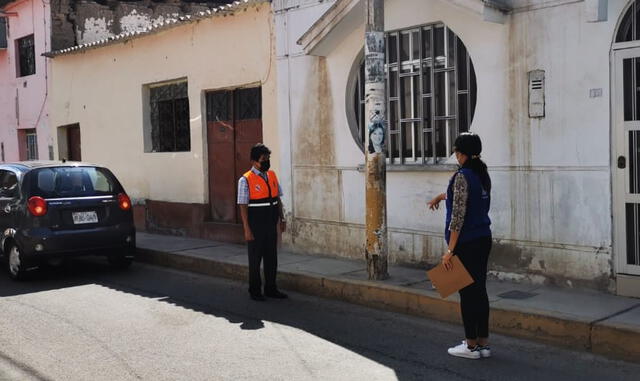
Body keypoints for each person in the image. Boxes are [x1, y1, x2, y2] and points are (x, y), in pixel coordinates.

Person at [427, 133, 492, 360]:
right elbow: (465, 198)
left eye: (456, 152)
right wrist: (441, 196)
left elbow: (458, 216)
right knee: (480, 291)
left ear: (461, 153)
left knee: (467, 294)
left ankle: (470, 346)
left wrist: (450, 251)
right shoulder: (482, 174)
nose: (456, 155)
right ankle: (483, 344)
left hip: (467, 242)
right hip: (484, 238)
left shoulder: (462, 175)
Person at [237, 143, 288, 301]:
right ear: (253, 161)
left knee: (271, 258)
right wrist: (246, 228)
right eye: (263, 159)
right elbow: (243, 206)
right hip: (255, 226)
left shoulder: (271, 175)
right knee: (255, 259)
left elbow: (277, 199)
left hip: (271, 225)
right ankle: (255, 290)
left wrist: (282, 218)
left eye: (268, 158)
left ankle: (271, 288)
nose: (266, 162)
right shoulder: (245, 180)